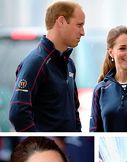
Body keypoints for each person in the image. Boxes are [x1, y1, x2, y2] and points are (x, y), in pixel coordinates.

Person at [9, 1, 85, 132]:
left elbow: (74, 112)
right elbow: (18, 113)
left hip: (67, 148)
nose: (83, 32)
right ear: (61, 21)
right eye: (79, 25)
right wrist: (41, 143)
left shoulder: (69, 64)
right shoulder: (36, 62)